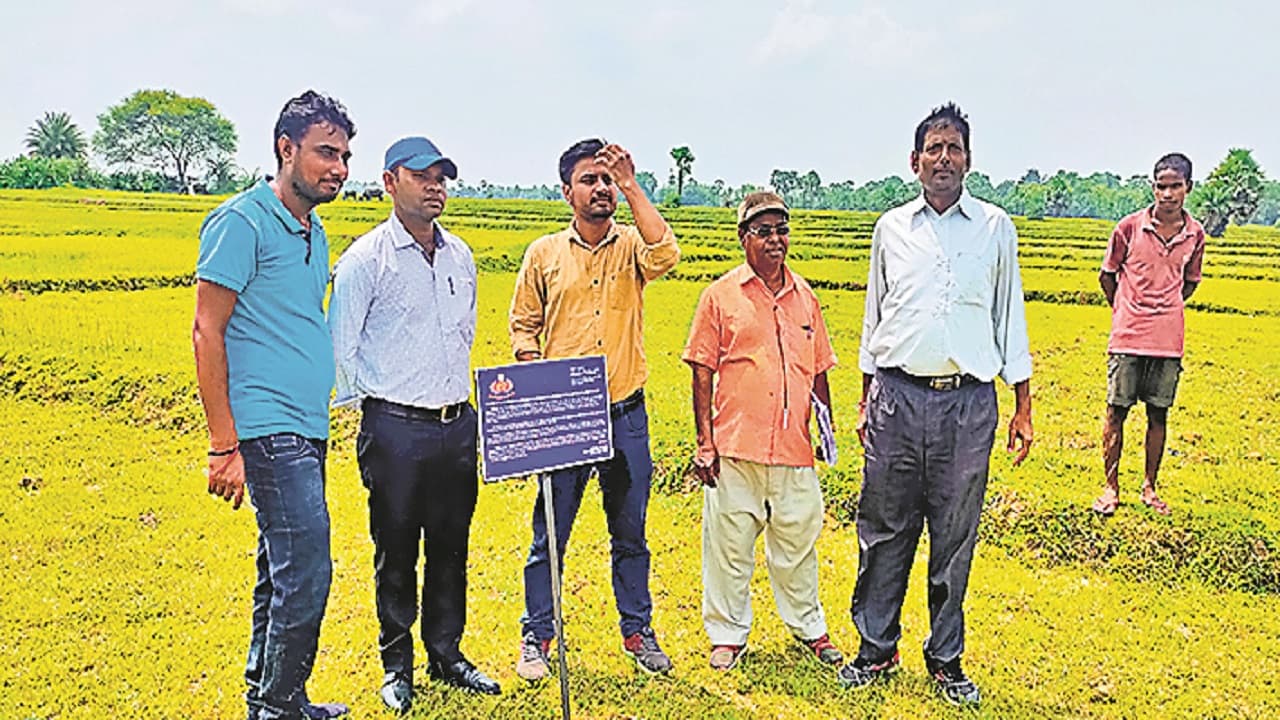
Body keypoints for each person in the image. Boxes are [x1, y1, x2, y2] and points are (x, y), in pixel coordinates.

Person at [839, 103, 1033, 707]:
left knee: (954, 535)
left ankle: (946, 659)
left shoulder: (995, 227)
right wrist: (866, 399)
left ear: (968, 160)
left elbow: (1010, 316)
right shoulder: (891, 228)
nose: (943, 158)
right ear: (914, 160)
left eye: (954, 148)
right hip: (895, 398)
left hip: (967, 405)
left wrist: (1023, 405)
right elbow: (874, 317)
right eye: (934, 148)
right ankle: (875, 649)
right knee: (883, 529)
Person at [193, 91, 355, 720]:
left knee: (281, 567)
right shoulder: (243, 222)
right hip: (267, 424)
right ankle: (280, 706)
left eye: (344, 156)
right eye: (326, 153)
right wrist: (223, 445)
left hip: (307, 423)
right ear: (286, 149)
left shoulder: (315, 229)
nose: (339, 168)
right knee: (308, 566)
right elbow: (207, 330)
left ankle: (270, 697)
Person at [328, 136, 500, 712]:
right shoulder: (365, 261)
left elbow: (464, 331)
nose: (435, 187)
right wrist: (381, 414)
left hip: (457, 424)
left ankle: (447, 654)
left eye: (441, 178)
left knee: (451, 547)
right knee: (396, 549)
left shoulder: (461, 256)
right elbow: (341, 349)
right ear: (389, 182)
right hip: (395, 429)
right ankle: (396, 665)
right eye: (422, 176)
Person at [508, 138, 680, 680]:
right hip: (566, 414)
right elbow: (524, 325)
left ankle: (638, 630)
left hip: (625, 412)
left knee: (630, 533)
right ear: (567, 192)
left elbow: (666, 253)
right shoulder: (543, 254)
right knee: (550, 534)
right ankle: (537, 634)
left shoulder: (631, 245)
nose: (601, 188)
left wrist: (632, 184)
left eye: (608, 180)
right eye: (590, 179)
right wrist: (536, 372)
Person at [682, 191, 844, 671]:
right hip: (736, 445)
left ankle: (809, 627)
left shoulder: (805, 296)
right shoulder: (720, 296)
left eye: (781, 230)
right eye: (763, 231)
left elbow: (819, 369)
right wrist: (705, 442)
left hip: (794, 446)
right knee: (729, 546)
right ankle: (727, 635)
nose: (775, 240)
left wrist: (825, 431)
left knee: (798, 542)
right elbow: (701, 369)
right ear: (743, 237)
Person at [1090, 153, 1205, 517]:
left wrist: (1166, 307)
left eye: (1175, 186)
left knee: (1159, 414)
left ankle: (1150, 487)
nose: (1167, 194)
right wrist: (1125, 309)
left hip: (1168, 340)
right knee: (1116, 411)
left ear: (1188, 187)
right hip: (1127, 335)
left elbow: (1190, 283)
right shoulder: (1128, 227)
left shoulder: (1196, 235)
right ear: (1152, 187)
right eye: (1161, 186)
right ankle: (1110, 488)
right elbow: (1107, 275)